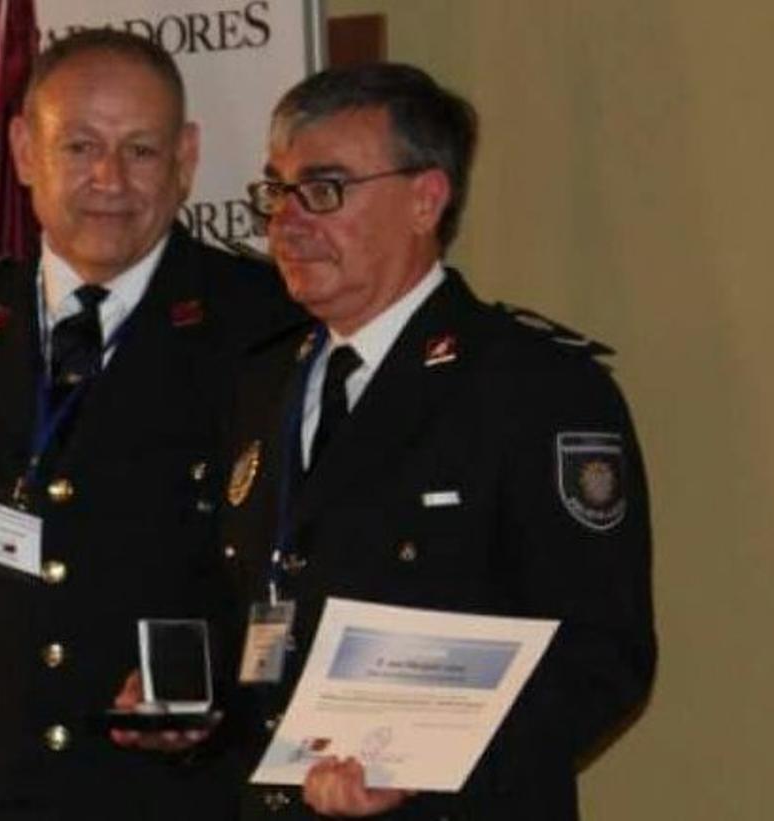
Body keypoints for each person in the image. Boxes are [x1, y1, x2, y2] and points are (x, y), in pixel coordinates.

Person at [0, 30, 294, 820]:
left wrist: (222, 702)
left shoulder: (264, 325)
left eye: (141, 150)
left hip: (181, 797)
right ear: (25, 151)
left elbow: (293, 577)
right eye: (80, 146)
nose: (110, 180)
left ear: (186, 159)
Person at [218, 63, 656, 819]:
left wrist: (422, 765)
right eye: (277, 191)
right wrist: (192, 711)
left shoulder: (533, 387)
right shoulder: (264, 383)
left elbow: (600, 656)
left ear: (425, 199)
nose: (286, 221)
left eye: (324, 190)